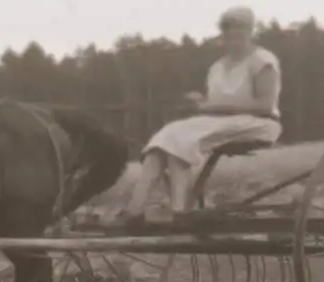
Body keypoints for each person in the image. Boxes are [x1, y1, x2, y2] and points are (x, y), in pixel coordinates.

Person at [104, 5, 282, 228]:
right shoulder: (217, 67)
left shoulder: (262, 61)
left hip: (258, 123)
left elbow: (265, 106)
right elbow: (213, 104)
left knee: (180, 135)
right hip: (220, 122)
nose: (232, 36)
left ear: (249, 31)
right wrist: (199, 103)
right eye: (227, 31)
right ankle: (135, 209)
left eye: (238, 30)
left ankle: (179, 210)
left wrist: (211, 106)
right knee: (166, 136)